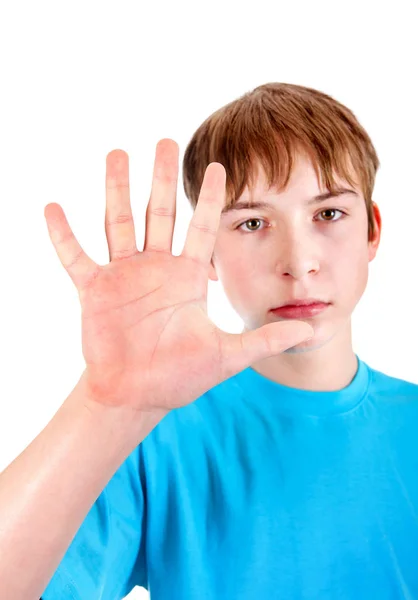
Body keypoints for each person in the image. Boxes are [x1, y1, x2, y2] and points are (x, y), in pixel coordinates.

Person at [0, 83, 417, 600]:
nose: (298, 261)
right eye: (253, 222)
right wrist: (104, 403)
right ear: (210, 255)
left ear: (373, 230)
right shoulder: (154, 432)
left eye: (328, 214)